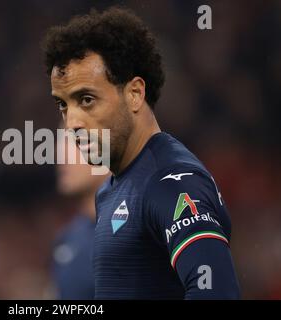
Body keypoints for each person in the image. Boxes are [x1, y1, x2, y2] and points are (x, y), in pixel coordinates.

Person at [42, 7, 240, 299]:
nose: (72, 123)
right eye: (63, 104)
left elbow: (217, 292)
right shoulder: (111, 191)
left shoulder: (172, 182)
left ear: (134, 93)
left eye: (86, 99)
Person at [52, 132, 108, 299]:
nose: (60, 151)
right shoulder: (67, 239)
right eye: (61, 140)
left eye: (76, 141)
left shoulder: (145, 231)